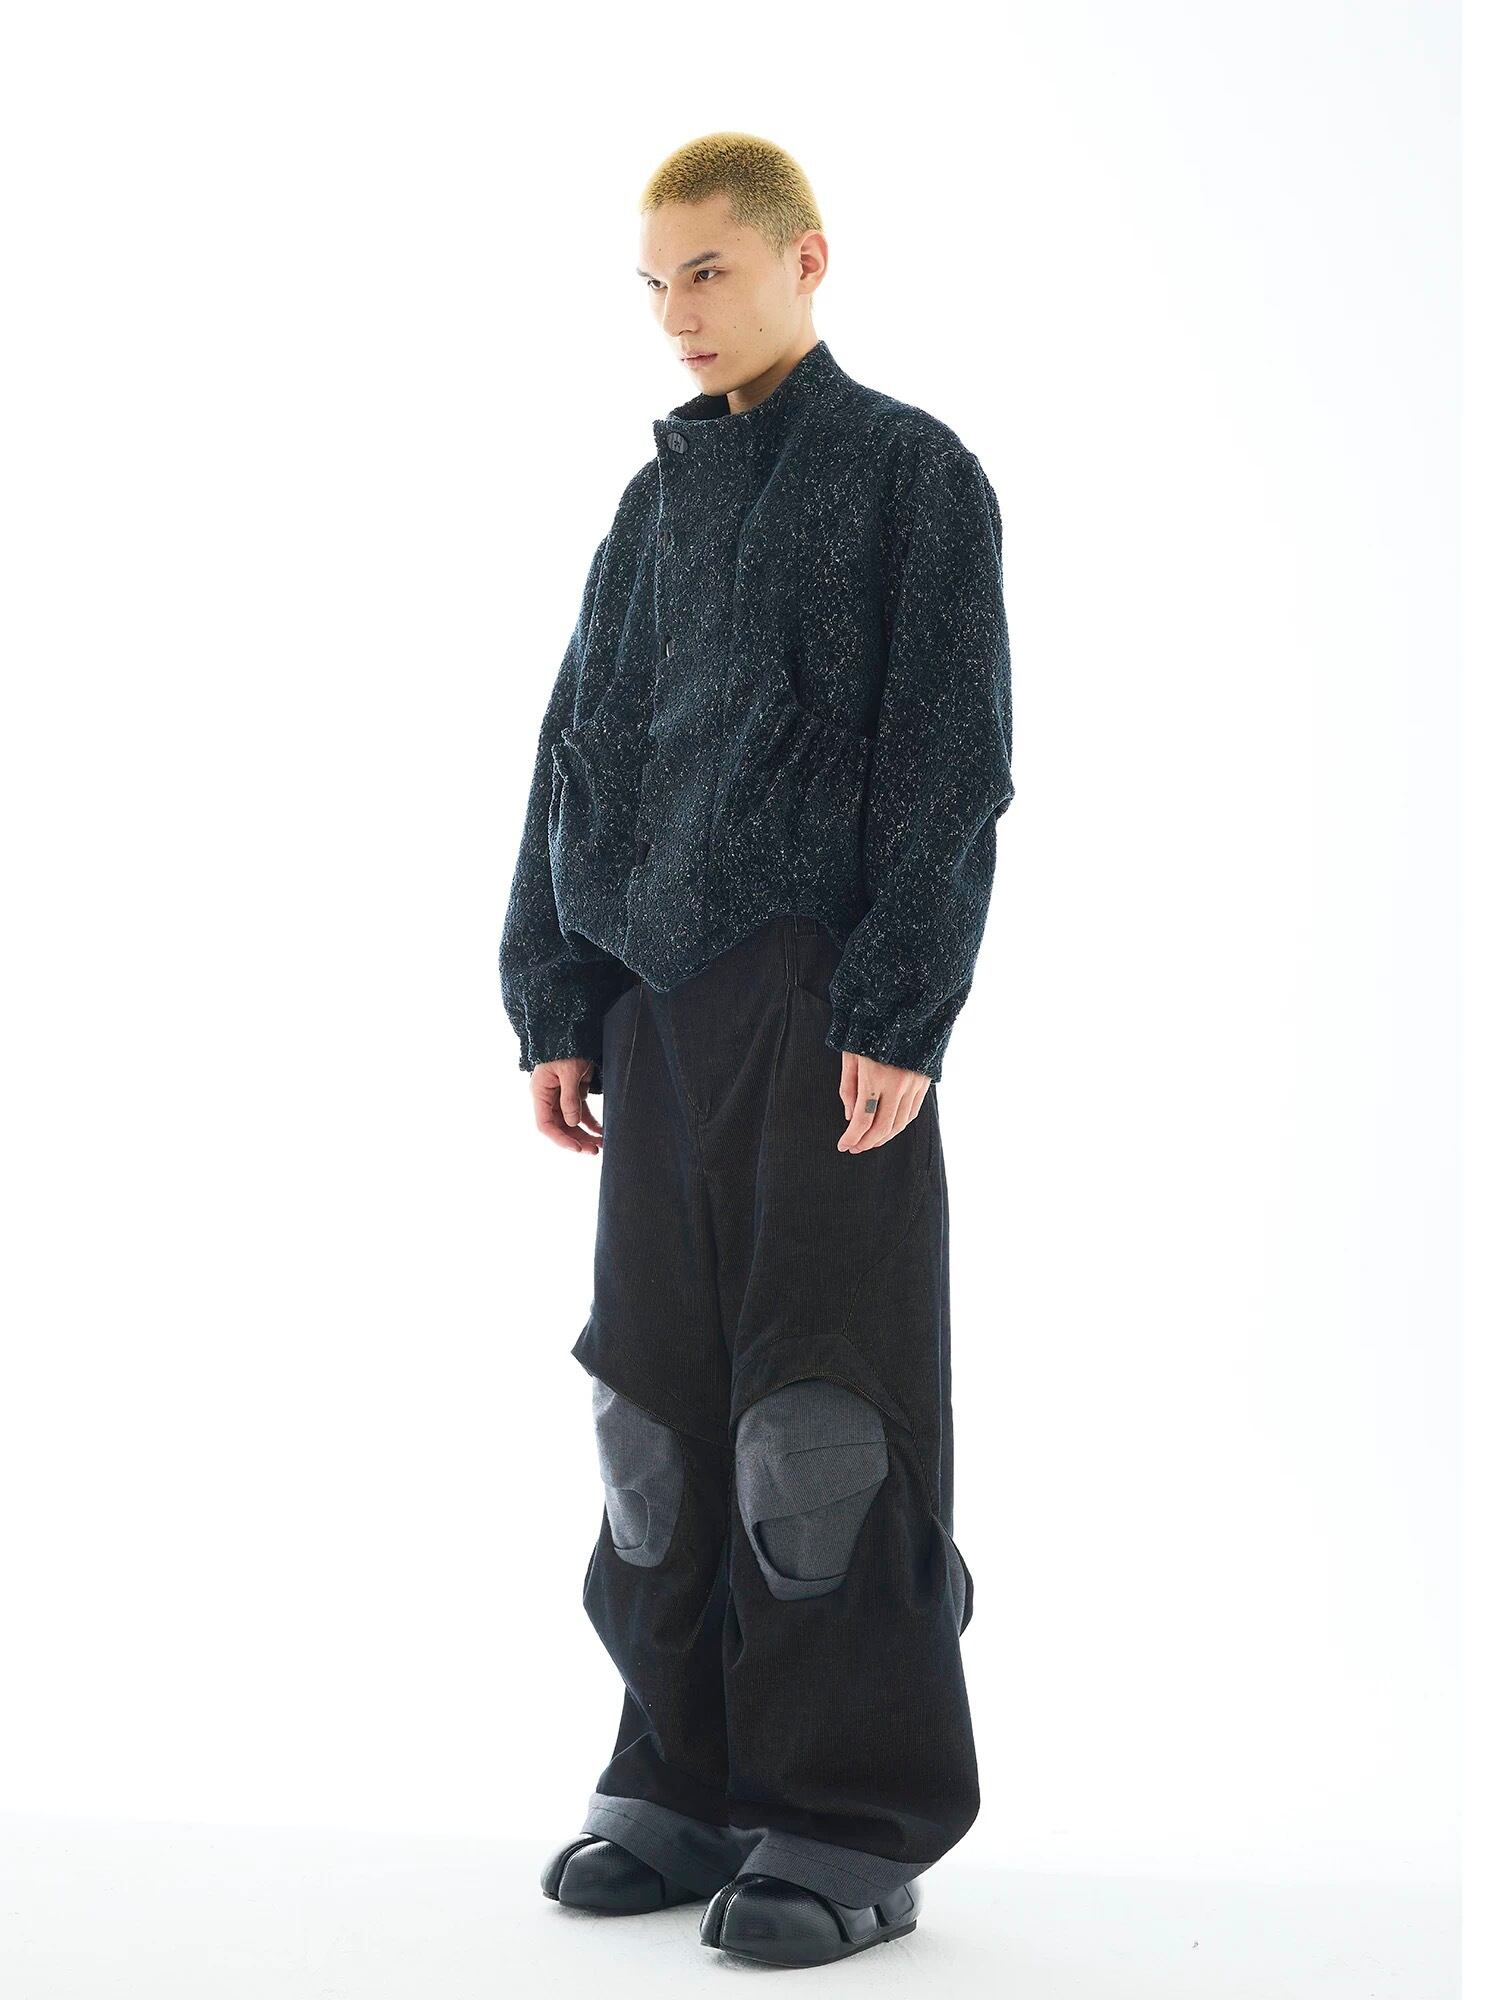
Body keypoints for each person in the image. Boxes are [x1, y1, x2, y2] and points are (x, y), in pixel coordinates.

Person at [498, 130, 1014, 1970]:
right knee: (651, 1415)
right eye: (655, 283)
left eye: (707, 271)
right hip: (652, 1011)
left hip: (820, 1009)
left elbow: (952, 759)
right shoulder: (648, 512)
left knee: (819, 1420)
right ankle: (685, 1768)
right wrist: (555, 995)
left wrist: (900, 1006)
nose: (677, 315)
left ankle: (851, 1817)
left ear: (808, 259)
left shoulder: (911, 476)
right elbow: (575, 749)